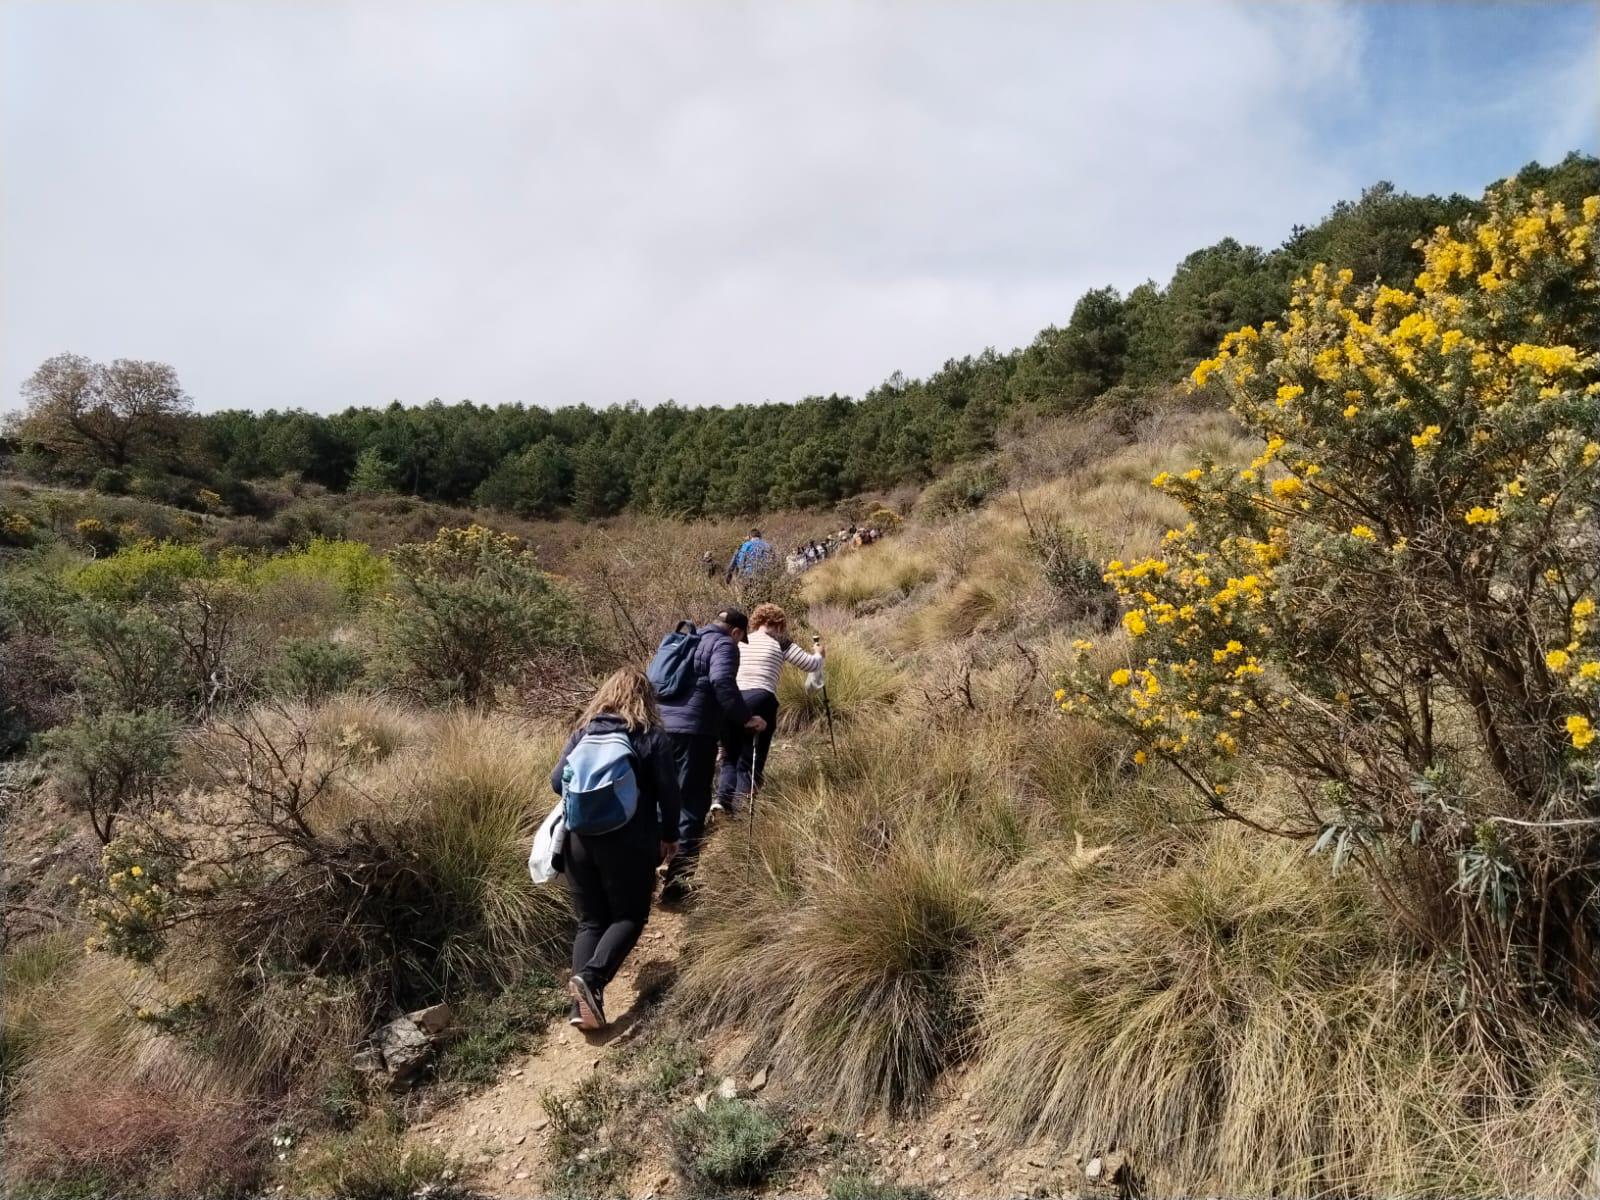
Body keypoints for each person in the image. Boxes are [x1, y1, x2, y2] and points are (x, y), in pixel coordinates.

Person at [550, 666, 682, 1031]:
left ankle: (581, 1008)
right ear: (646, 698)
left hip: (578, 839)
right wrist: (670, 835)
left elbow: (556, 782)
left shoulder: (583, 732)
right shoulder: (651, 736)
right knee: (630, 916)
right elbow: (670, 793)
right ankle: (592, 979)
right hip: (629, 840)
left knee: (591, 920)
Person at [657, 607, 765, 899]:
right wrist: (746, 718)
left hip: (659, 729)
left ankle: (642, 873)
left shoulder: (685, 639)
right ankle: (678, 884)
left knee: (662, 799)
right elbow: (722, 683)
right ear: (737, 632)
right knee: (692, 802)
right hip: (695, 732)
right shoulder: (724, 645)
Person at [713, 603, 823, 815]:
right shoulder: (780, 641)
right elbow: (810, 665)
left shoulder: (741, 640)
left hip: (731, 701)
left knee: (730, 755)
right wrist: (819, 654)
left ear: (756, 622)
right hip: (761, 698)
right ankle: (742, 811)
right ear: (779, 624)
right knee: (751, 758)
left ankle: (721, 800)